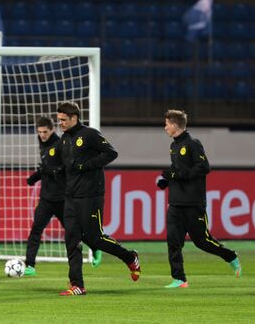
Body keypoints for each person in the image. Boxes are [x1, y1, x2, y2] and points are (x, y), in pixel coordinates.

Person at [56, 101, 141, 296]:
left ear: (74, 118)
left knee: (95, 238)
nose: (59, 123)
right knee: (71, 240)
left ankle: (130, 257)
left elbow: (111, 153)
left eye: (62, 120)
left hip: (90, 195)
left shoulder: (89, 134)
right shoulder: (64, 140)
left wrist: (86, 165)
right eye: (58, 119)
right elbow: (66, 167)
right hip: (70, 197)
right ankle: (77, 285)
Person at [158, 110, 241, 288]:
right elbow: (177, 172)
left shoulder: (193, 143)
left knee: (202, 241)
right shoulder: (174, 146)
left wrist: (178, 174)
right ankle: (180, 279)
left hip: (193, 203)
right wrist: (167, 180)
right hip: (175, 203)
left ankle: (230, 255)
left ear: (174, 125)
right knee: (173, 241)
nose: (165, 128)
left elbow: (204, 167)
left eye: (166, 124)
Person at [24, 117, 102, 276]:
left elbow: (66, 168)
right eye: (39, 132)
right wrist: (36, 176)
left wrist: (53, 171)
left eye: (45, 132)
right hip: (46, 199)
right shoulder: (43, 143)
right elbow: (46, 167)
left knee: (74, 233)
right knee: (35, 230)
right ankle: (30, 265)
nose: (42, 135)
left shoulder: (61, 144)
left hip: (62, 199)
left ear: (52, 130)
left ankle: (95, 247)